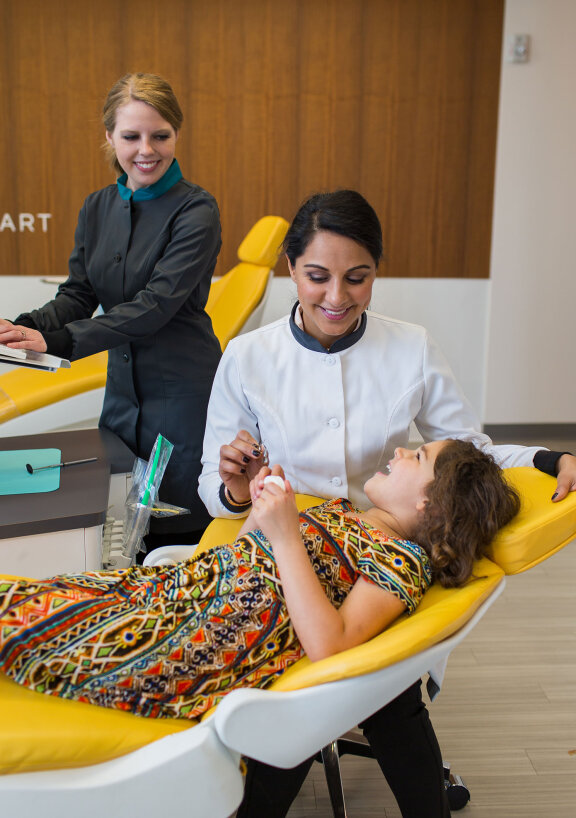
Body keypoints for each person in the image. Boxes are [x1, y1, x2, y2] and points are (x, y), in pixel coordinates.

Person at [198, 189, 576, 817]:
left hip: (384, 548)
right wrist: (237, 485)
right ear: (290, 268)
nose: (337, 298)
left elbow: (468, 451)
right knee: (364, 687)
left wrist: (548, 457)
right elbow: (213, 489)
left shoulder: (410, 347)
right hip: (284, 548)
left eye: (358, 277)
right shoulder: (249, 356)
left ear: (377, 271)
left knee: (349, 681)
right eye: (317, 276)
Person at [0, 439, 519, 724]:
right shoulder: (345, 514)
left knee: (26, 617)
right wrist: (259, 503)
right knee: (38, 593)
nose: (405, 450)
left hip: (201, 637)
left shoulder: (400, 560)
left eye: (420, 456)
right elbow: (240, 556)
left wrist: (288, 535)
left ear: (431, 503)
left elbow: (330, 645)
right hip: (178, 593)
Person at [0, 73, 222, 546]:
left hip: (183, 398)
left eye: (160, 135)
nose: (147, 149)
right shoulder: (97, 207)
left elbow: (154, 306)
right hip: (122, 402)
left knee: (180, 534)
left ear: (176, 135)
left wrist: (60, 342)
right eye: (131, 136)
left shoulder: (196, 211)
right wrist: (22, 328)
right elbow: (78, 294)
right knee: (122, 534)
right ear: (109, 138)